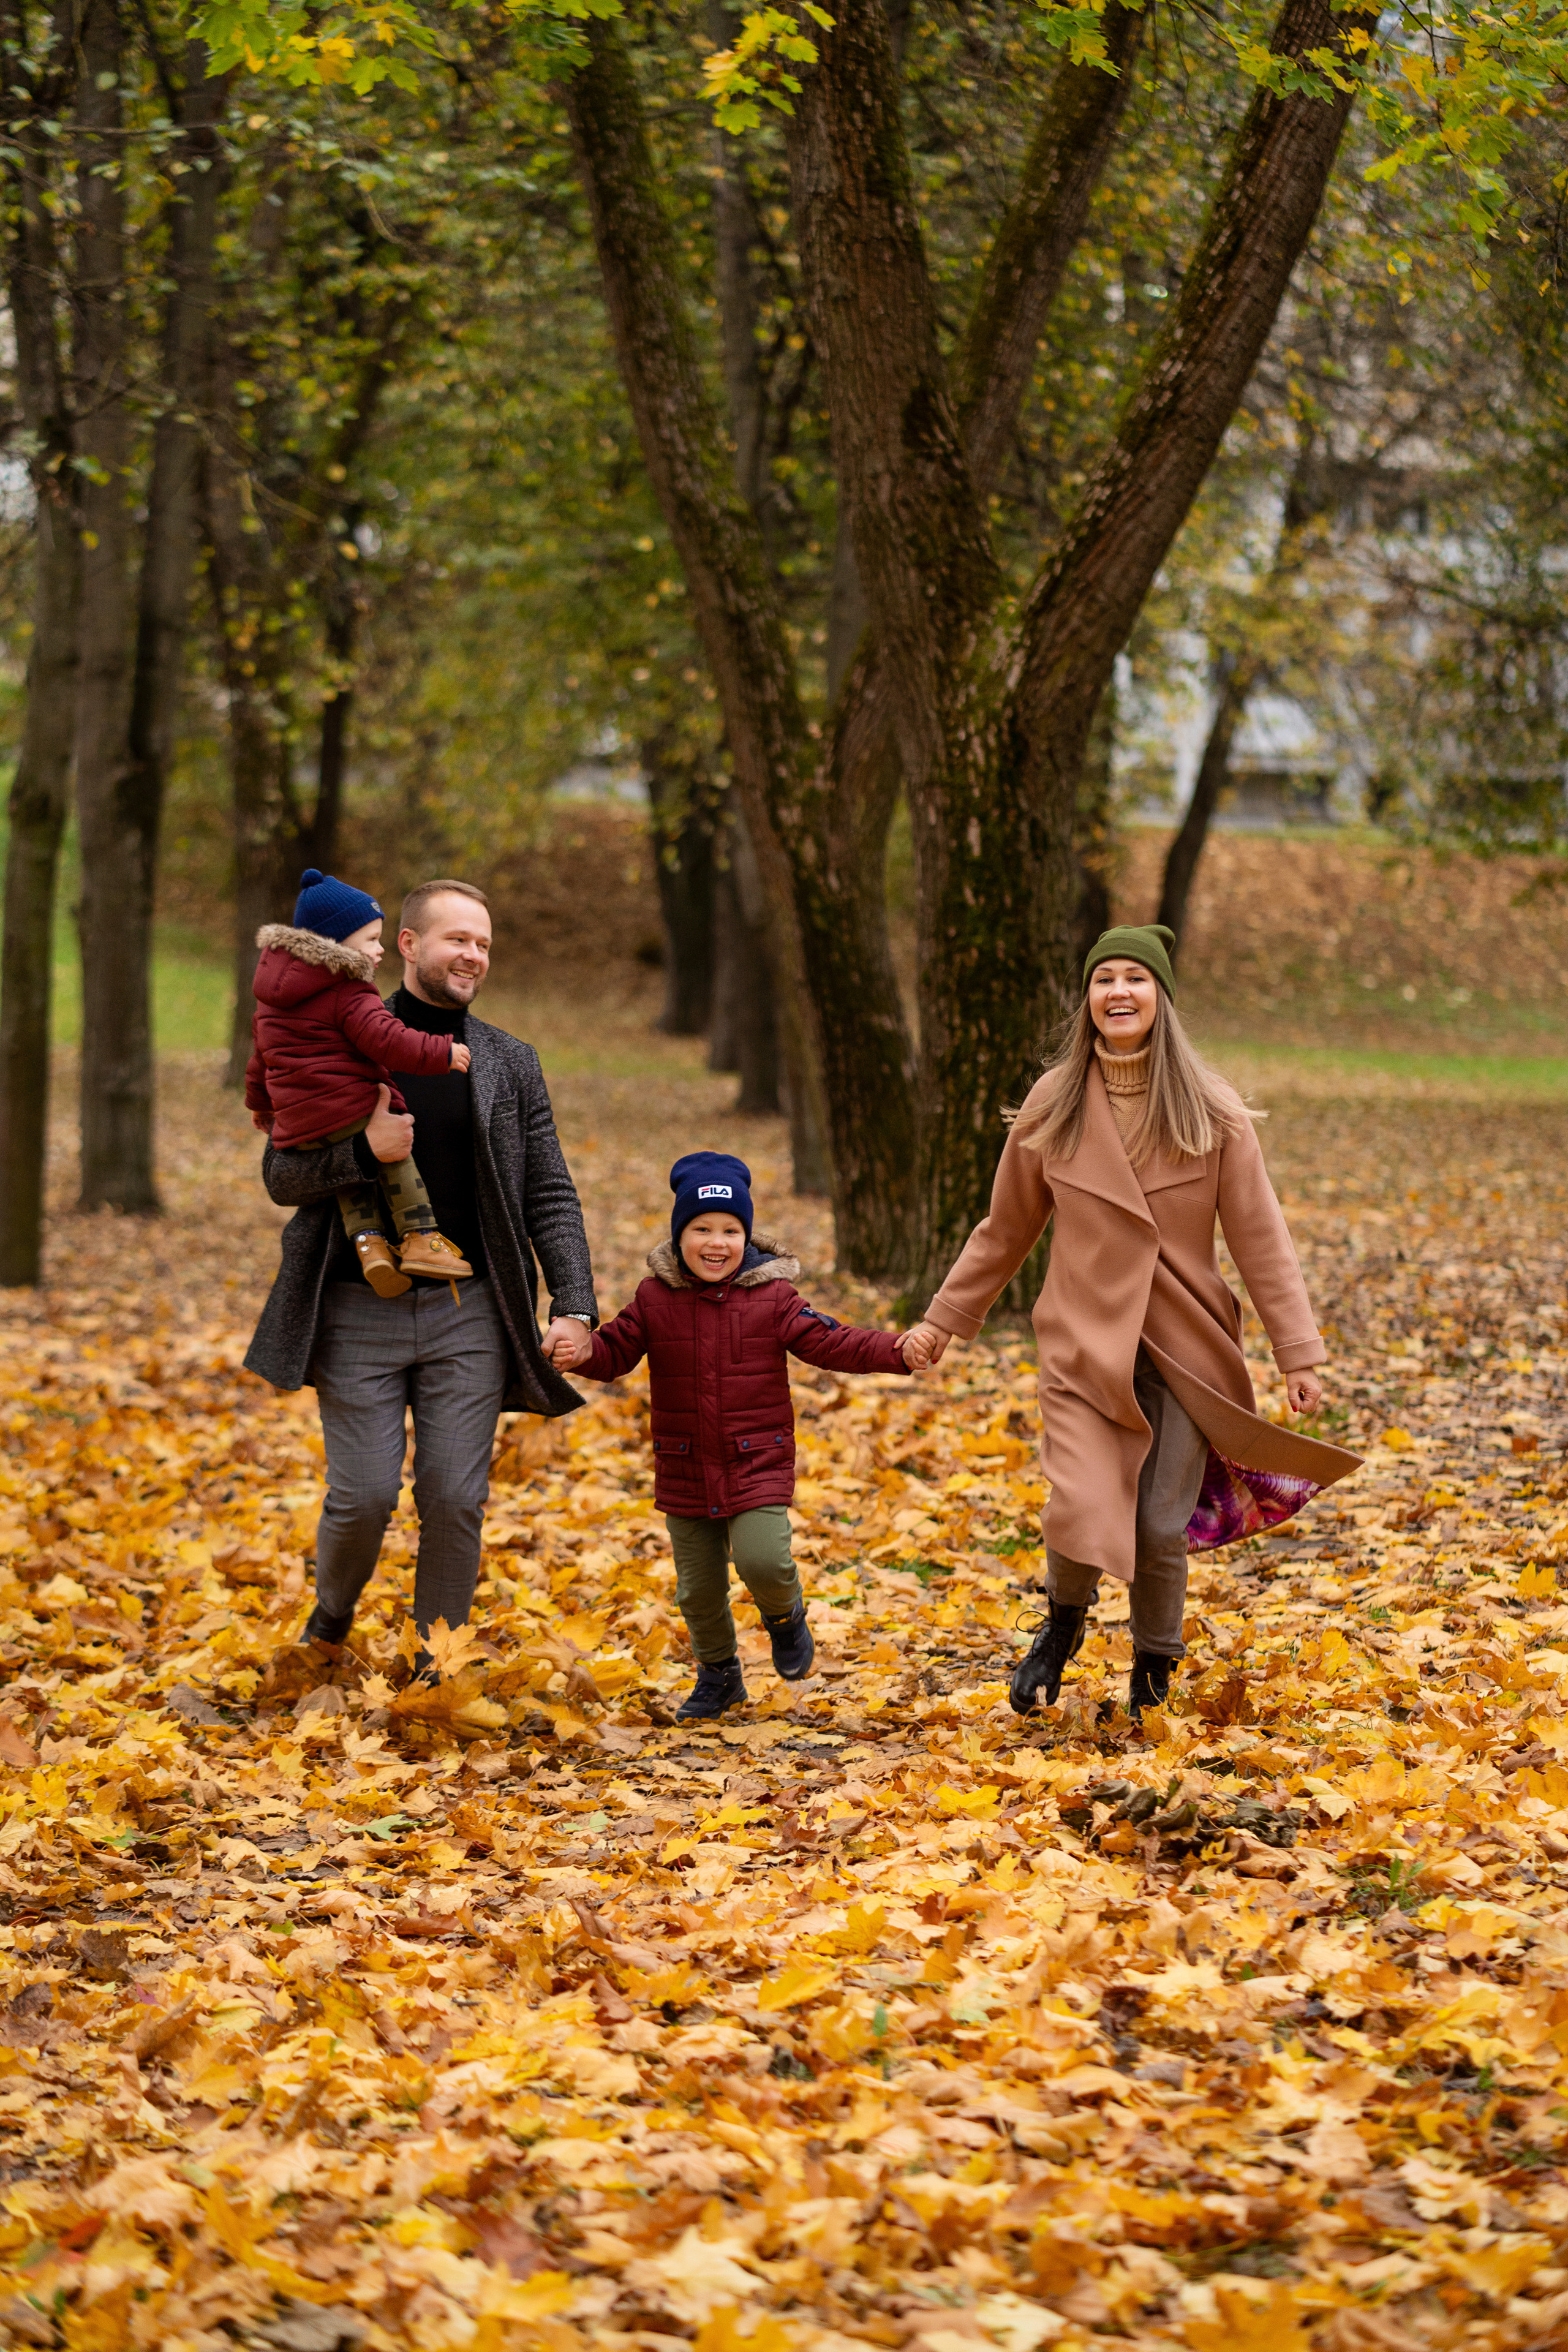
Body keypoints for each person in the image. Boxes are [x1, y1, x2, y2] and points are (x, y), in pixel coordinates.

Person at [904, 924, 1360, 1720]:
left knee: (1157, 1525)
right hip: (1084, 1342)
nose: (1119, 992)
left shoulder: (1209, 1109)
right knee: (1079, 1503)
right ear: (1087, 1001)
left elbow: (1261, 1238)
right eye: (1104, 979)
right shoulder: (1055, 1104)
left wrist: (1299, 1354)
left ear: (1161, 998)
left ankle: (1154, 1667)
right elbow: (1005, 1229)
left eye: (1136, 980)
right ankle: (1061, 1625)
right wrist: (946, 1320)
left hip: (1186, 1347)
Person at [244, 878, 599, 1669]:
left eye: (483, 943)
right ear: (407, 945)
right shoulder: (336, 1030)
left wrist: (575, 1301)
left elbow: (550, 1188)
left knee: (454, 1497)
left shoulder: (508, 1061)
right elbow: (282, 1180)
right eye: (457, 939)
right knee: (364, 1495)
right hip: (353, 1305)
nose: (473, 954)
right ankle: (331, 1619)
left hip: (469, 1308)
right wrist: (365, 1152)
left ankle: (437, 1664)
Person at [575, 1151, 924, 1721]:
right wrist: (580, 1351)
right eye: (702, 1229)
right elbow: (613, 1352)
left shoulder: (773, 1298)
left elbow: (833, 1342)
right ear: (678, 1234)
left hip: (755, 1459)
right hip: (684, 1462)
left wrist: (899, 1350)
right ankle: (720, 1675)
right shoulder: (654, 1299)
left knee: (763, 1559)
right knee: (698, 1591)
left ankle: (786, 1618)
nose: (717, 1243)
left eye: (731, 1230)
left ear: (747, 1237)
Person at [246, 867, 476, 1297]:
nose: (379, 950)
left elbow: (261, 1059)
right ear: (336, 940)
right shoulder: (347, 990)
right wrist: (440, 1052)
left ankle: (370, 1247)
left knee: (350, 1178)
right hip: (347, 1106)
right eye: (371, 939)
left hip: (301, 1124)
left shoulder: (271, 1000)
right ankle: (421, 1237)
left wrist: (261, 1105)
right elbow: (386, 1040)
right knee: (394, 1153)